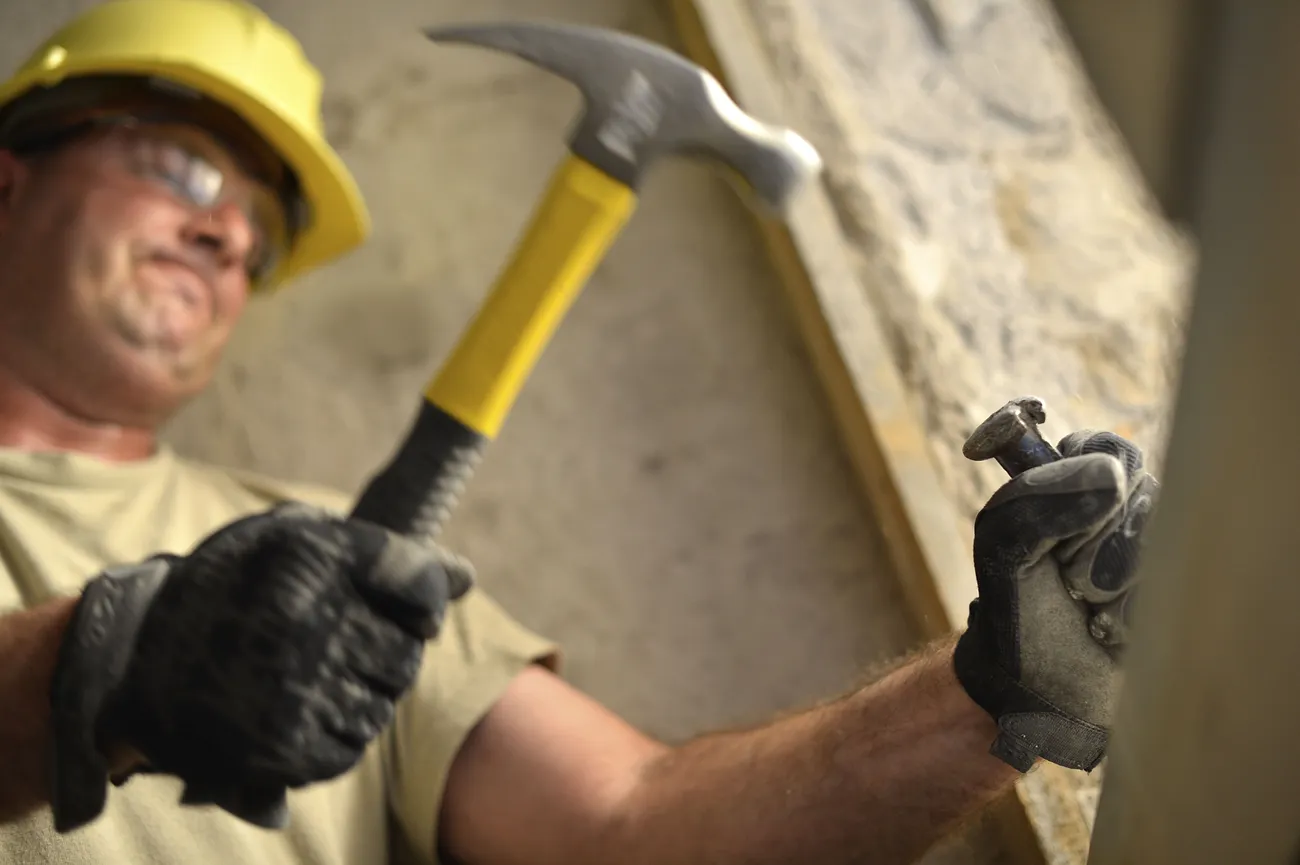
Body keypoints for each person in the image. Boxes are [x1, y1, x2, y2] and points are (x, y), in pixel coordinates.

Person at [0, 2, 1159, 864]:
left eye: (258, 228)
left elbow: (631, 830)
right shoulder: (273, 577)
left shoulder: (315, 559)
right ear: (11, 181)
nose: (223, 238)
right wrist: (108, 659)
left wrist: (991, 687)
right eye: (181, 167)